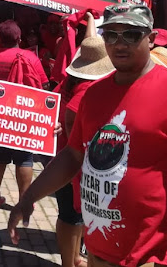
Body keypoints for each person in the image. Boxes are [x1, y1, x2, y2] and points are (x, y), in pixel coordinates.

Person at [9, 3, 167, 267]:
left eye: (131, 34)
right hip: (99, 252)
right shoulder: (94, 95)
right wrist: (29, 197)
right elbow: (72, 155)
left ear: (150, 39)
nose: (119, 43)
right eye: (111, 35)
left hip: (157, 257)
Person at [55, 35, 115, 267]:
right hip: (74, 161)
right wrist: (79, 151)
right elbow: (70, 118)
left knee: (70, 213)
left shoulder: (68, 81)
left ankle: (73, 259)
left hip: (62, 155)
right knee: (72, 215)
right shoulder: (89, 87)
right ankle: (70, 262)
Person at [0, 20, 46, 209]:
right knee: (24, 158)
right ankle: (24, 201)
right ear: (19, 37)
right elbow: (42, 85)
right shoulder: (30, 57)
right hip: (23, 115)